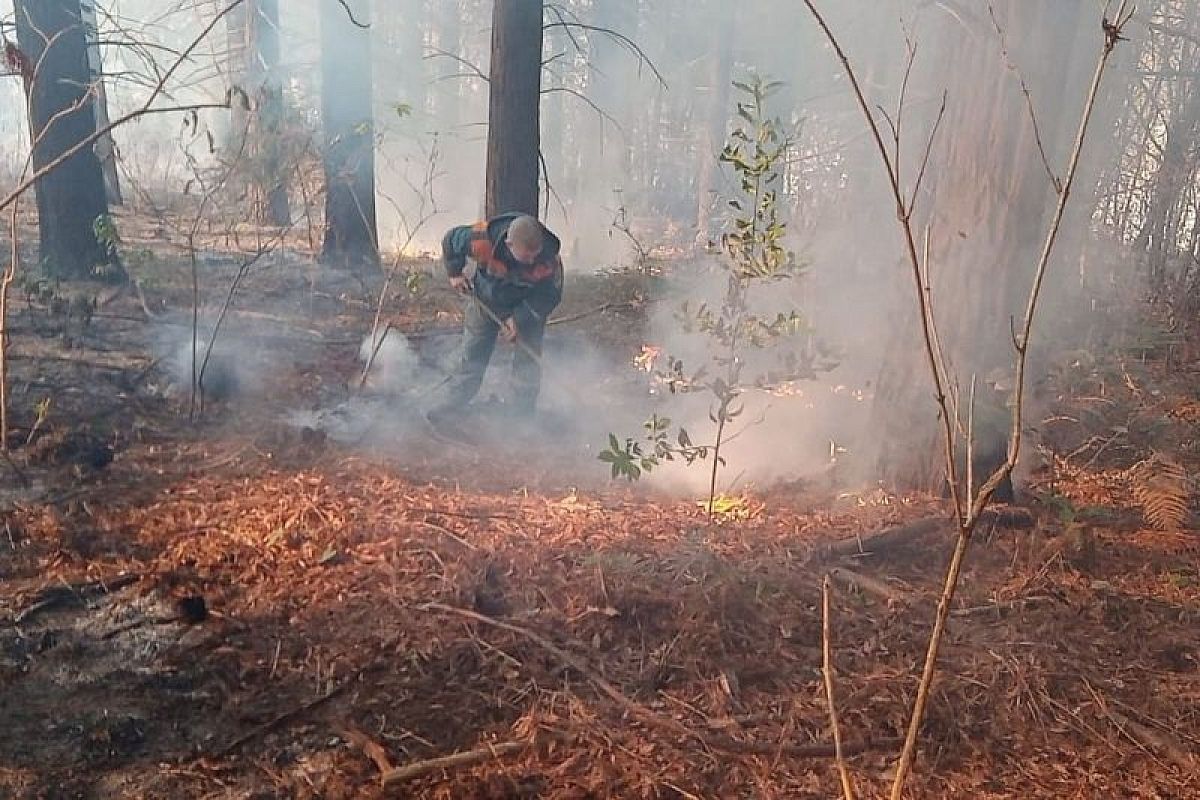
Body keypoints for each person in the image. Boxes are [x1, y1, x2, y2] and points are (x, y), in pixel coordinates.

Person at [427, 212, 563, 424]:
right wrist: (454, 273)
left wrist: (519, 318)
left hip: (527, 306)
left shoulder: (548, 258)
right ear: (509, 244)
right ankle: (453, 404)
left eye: (535, 254)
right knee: (473, 353)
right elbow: (451, 240)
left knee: (527, 362)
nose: (532, 260)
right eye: (527, 256)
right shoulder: (482, 239)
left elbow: (549, 296)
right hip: (486, 300)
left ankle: (522, 415)